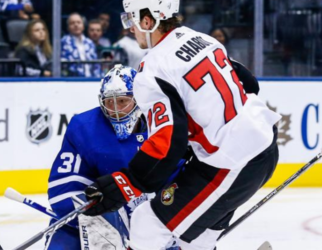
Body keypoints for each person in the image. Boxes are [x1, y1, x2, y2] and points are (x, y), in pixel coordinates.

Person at [83, 1, 281, 250]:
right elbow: (249, 83)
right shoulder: (201, 39)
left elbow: (167, 142)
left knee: (147, 224)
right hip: (262, 143)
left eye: (131, 20)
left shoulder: (153, 70)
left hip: (232, 163)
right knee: (197, 239)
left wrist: (128, 181)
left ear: (148, 21)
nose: (130, 28)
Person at [46, 65, 180, 250]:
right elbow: (63, 187)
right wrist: (101, 222)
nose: (116, 110)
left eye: (123, 101)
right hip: (97, 223)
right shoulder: (84, 128)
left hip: (156, 223)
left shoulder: (162, 125)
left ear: (138, 99)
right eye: (110, 102)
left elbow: (180, 179)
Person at [61, 13, 101, 77]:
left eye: (78, 22)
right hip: (72, 81)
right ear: (68, 27)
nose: (76, 25)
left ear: (83, 26)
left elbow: (96, 65)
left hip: (92, 80)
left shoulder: (89, 43)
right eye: (72, 23)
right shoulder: (63, 42)